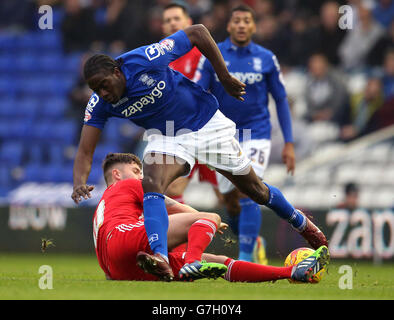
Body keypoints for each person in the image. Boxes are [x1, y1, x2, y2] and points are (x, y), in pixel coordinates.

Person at [71, 23, 328, 281]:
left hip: (206, 124)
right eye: (96, 89)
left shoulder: (144, 59)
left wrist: (224, 76)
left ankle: (303, 224)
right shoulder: (100, 103)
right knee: (151, 182)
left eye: (104, 85)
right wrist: (79, 182)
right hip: (168, 136)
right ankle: (159, 256)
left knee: (255, 190)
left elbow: (197, 32)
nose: (103, 93)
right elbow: (84, 150)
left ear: (117, 72)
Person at [93, 152, 330, 283]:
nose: (141, 176)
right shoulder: (127, 185)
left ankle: (292, 272)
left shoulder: (102, 208)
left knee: (219, 261)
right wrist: (208, 221)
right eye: (136, 171)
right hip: (125, 238)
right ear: (117, 174)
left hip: (116, 268)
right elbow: (173, 207)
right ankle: (192, 263)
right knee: (209, 217)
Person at [193, 5, 295, 264]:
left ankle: (246, 260)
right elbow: (197, 94)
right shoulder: (212, 56)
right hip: (221, 135)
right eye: (236, 20)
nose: (241, 25)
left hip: (256, 132)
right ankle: (252, 240)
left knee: (249, 190)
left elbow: (281, 99)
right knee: (230, 201)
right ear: (229, 26)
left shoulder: (266, 58)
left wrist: (289, 143)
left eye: (246, 21)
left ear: (253, 26)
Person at [161, 2, 221, 205]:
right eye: (167, 20)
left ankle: (251, 237)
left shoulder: (204, 52)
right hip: (180, 132)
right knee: (173, 188)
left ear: (189, 22)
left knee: (227, 197)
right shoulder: (160, 60)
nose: (172, 24)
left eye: (176, 19)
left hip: (209, 129)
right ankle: (186, 236)